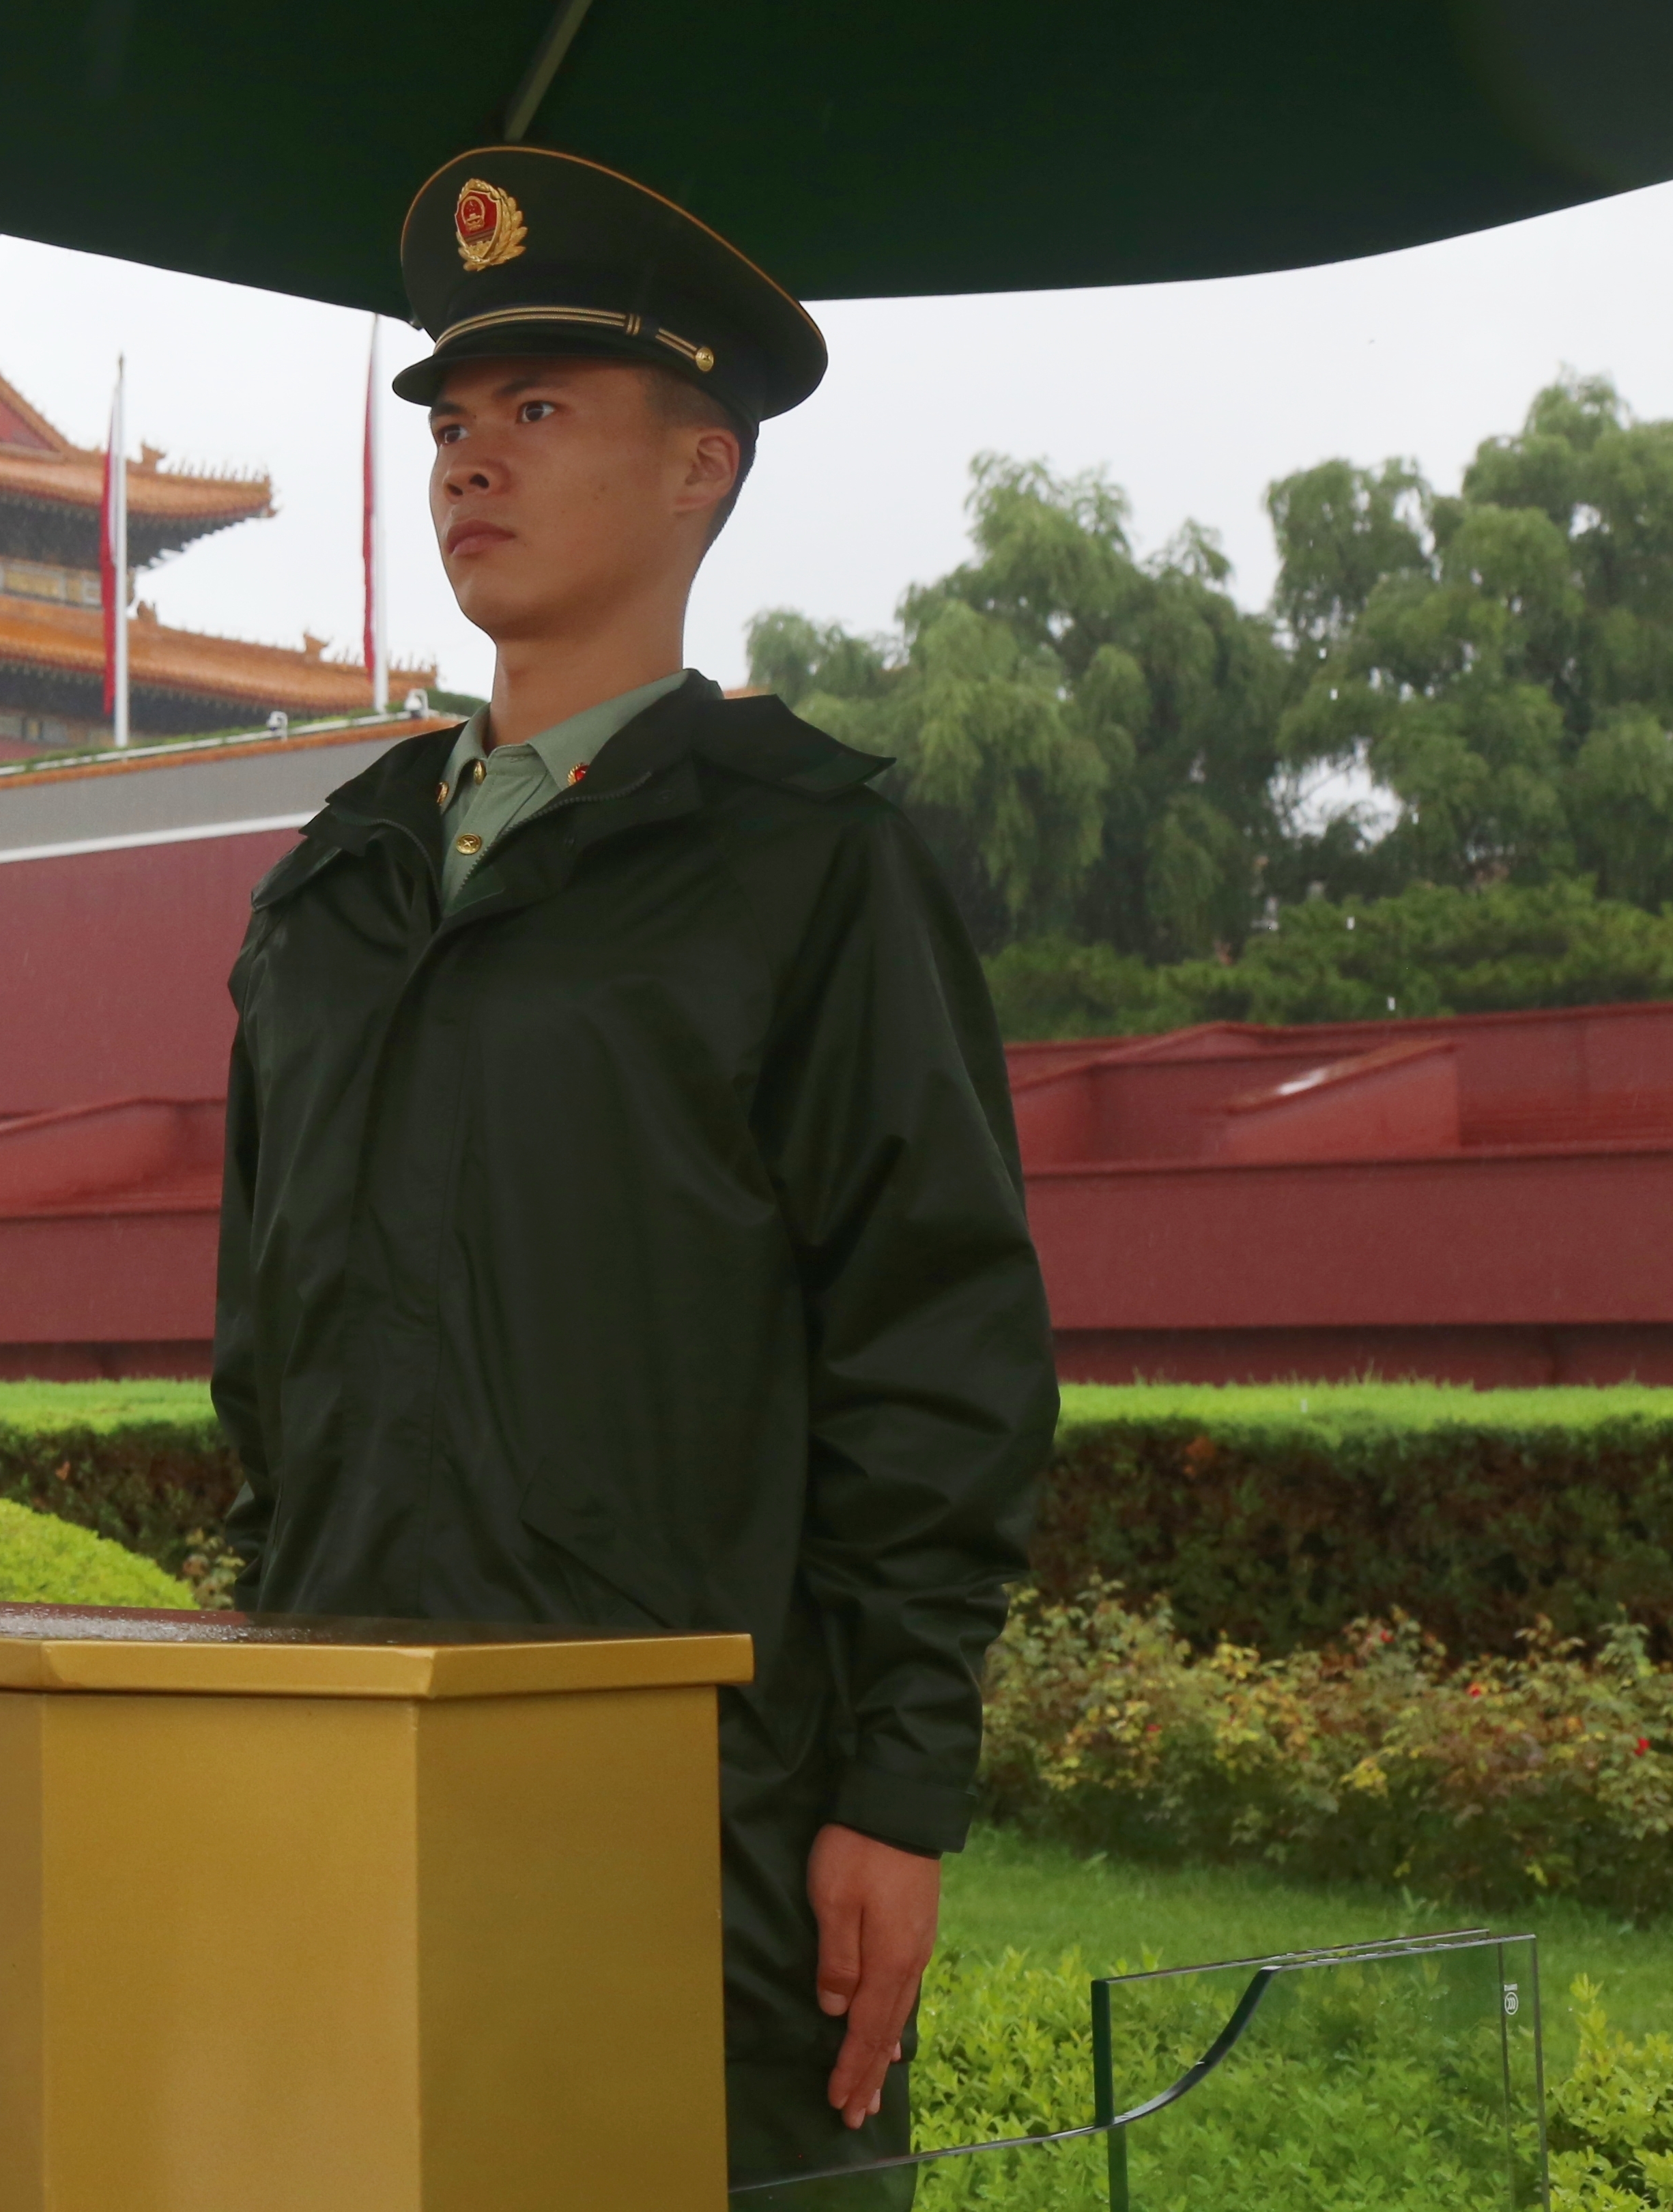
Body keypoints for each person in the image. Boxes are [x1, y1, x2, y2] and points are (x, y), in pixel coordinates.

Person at [212, 146, 1057, 2200]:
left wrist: (899, 1793)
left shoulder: (803, 865)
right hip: (348, 1760)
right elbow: (268, 1348)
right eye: (453, 418)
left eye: (539, 411)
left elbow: (932, 1343)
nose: (467, 463)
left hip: (699, 1811)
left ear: (701, 467)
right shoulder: (338, 886)